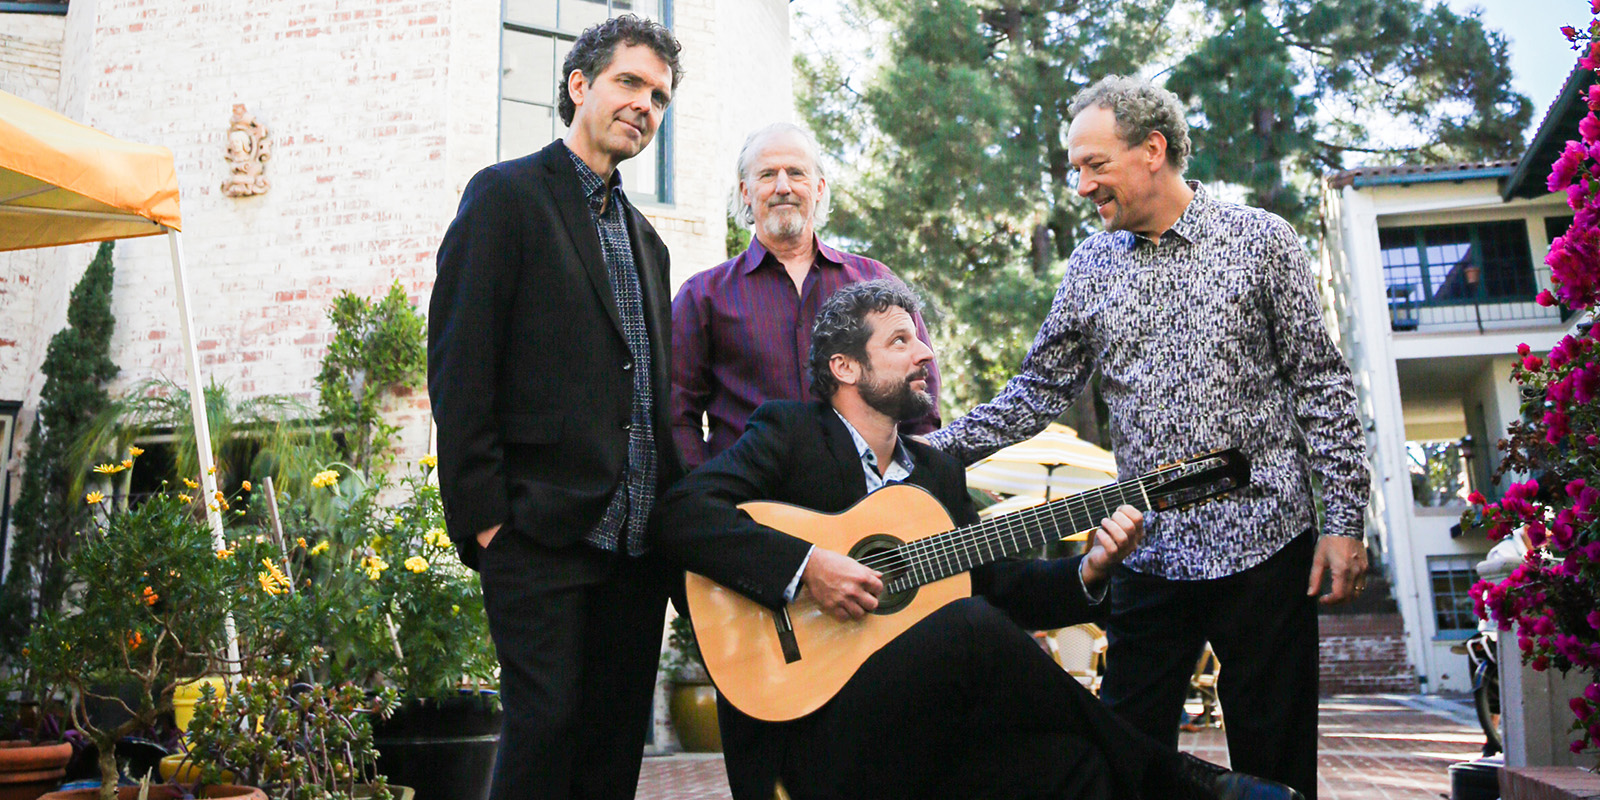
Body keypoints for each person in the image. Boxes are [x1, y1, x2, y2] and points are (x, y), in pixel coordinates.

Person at [655, 280, 1303, 800]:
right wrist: (805, 566)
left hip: (925, 727)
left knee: (1074, 766)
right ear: (844, 366)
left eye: (924, 340)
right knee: (968, 623)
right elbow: (682, 516)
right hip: (810, 729)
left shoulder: (935, 473)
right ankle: (1174, 778)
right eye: (901, 341)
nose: (925, 354)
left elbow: (998, 584)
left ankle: (1151, 778)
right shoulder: (790, 433)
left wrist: (1092, 571)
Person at [925, 75, 1371, 800]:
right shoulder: (1090, 267)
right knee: (1123, 761)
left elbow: (1320, 384)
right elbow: (1036, 390)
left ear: (1152, 150)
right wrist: (925, 457)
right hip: (1150, 552)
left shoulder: (1263, 241)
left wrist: (1343, 521)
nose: (1081, 185)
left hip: (1268, 544)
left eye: (1094, 165)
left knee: (1276, 765)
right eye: (1075, 169)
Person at [427, 16, 684, 800]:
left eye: (661, 97)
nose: (645, 104)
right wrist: (487, 521)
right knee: (544, 739)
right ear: (580, 86)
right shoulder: (506, 197)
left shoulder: (649, 241)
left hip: (636, 551)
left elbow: (647, 395)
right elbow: (460, 365)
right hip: (540, 536)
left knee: (610, 756)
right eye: (630, 83)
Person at [671, 122, 941, 471]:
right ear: (746, 193)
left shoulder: (875, 281)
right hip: (750, 511)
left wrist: (908, 481)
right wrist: (707, 496)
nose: (783, 187)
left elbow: (921, 393)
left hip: (867, 506)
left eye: (796, 173)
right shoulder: (703, 296)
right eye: (767, 175)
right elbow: (676, 415)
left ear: (818, 187)